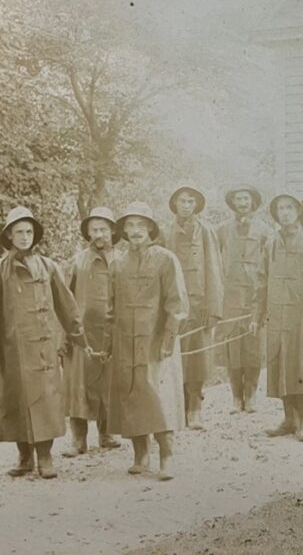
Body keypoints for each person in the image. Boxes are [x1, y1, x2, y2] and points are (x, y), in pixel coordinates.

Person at [0, 206, 86, 480]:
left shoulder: (49, 267)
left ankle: (45, 457)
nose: (25, 237)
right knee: (15, 402)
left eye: (29, 232)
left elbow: (66, 305)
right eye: (19, 232)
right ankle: (25, 457)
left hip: (44, 349)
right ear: (9, 236)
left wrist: (78, 336)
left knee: (46, 402)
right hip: (13, 351)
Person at [104, 202, 189, 480]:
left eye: (141, 225)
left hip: (155, 341)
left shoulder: (165, 259)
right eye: (129, 225)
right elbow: (110, 306)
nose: (135, 231)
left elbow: (177, 304)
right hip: (124, 341)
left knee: (157, 395)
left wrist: (168, 339)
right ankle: (140, 453)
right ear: (123, 230)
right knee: (130, 394)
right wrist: (108, 342)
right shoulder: (117, 263)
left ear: (151, 228)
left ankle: (167, 455)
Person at [250, 193, 303, 442]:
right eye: (280, 208)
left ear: (299, 211)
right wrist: (257, 315)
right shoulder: (271, 243)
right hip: (277, 316)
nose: (284, 212)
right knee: (281, 366)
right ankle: (289, 419)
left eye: (289, 207)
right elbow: (261, 281)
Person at [61, 206, 121, 457]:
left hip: (112, 333)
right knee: (78, 386)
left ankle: (106, 434)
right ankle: (78, 440)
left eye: (103, 229)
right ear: (87, 233)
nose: (99, 234)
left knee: (109, 384)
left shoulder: (122, 260)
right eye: (94, 229)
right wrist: (64, 334)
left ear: (112, 231)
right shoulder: (77, 262)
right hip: (81, 334)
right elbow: (64, 300)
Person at [164, 183, 223, 430]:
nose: (186, 205)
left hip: (199, 306)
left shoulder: (206, 232)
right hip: (174, 306)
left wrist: (214, 309)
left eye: (191, 201)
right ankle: (177, 408)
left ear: (196, 205)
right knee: (175, 358)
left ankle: (195, 408)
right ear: (175, 204)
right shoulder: (165, 232)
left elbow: (214, 271)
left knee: (198, 358)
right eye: (182, 201)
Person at [217, 184, 274, 413]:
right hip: (229, 295)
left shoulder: (264, 230)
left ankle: (251, 396)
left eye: (246, 199)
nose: (242, 203)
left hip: (254, 294)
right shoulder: (221, 230)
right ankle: (236, 397)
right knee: (233, 348)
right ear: (233, 203)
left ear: (253, 202)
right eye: (238, 199)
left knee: (253, 346)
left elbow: (271, 262)